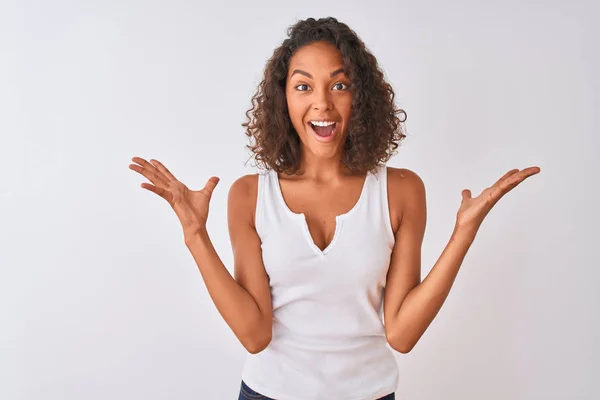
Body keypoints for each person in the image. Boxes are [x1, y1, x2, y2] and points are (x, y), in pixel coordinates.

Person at [128, 17, 540, 400]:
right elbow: (255, 336)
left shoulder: (400, 190)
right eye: (303, 86)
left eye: (339, 85)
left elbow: (402, 333)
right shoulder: (250, 195)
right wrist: (196, 235)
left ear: (360, 96)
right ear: (283, 98)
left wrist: (462, 234)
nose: (322, 103)